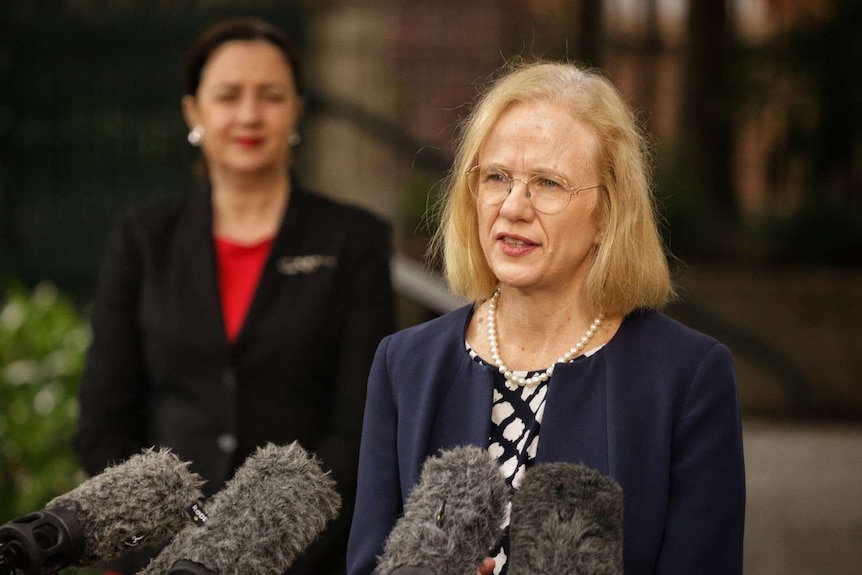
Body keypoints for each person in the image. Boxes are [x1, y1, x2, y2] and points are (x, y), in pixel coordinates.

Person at [346, 60, 745, 575]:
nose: (513, 206)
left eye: (548, 184)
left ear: (607, 213)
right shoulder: (404, 364)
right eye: (497, 177)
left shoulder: (688, 377)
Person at [76, 18, 396, 575]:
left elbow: (359, 430)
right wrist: (165, 547)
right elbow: (104, 424)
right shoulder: (143, 240)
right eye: (228, 96)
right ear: (194, 113)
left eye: (270, 96)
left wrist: (264, 548)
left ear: (296, 109)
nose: (249, 115)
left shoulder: (353, 240)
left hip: (302, 556)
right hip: (156, 556)